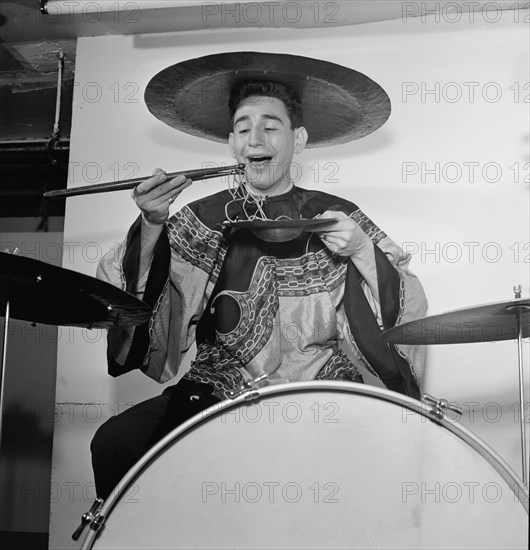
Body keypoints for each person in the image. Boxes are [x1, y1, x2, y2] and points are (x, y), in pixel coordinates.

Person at [91, 53, 428, 500]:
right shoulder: (203, 217)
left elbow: (408, 303)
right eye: (244, 127)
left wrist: (363, 250)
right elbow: (138, 301)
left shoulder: (334, 215)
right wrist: (152, 224)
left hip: (319, 385)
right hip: (220, 385)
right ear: (232, 143)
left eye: (271, 126)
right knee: (116, 442)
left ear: (298, 139)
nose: (256, 137)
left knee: (374, 463)